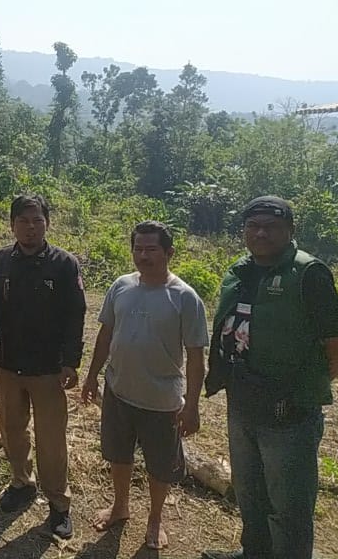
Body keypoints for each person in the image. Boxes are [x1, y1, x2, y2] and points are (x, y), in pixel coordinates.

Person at [201, 196, 338, 559]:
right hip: (242, 402)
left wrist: (304, 388)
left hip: (289, 413)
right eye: (253, 226)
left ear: (290, 230)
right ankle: (253, 552)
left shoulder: (308, 274)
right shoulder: (240, 270)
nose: (261, 233)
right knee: (249, 492)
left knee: (289, 507)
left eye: (271, 226)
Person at [82, 220, 208, 550]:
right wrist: (92, 375)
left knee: (160, 464)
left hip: (162, 400)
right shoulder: (121, 286)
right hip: (119, 390)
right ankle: (120, 506)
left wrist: (192, 406)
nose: (143, 256)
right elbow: (105, 334)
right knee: (118, 453)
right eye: (138, 249)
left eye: (151, 249)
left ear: (169, 253)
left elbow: (196, 358)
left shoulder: (185, 298)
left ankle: (155, 518)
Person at [0, 194, 86, 539]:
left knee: (51, 440)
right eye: (23, 221)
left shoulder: (64, 264)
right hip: (8, 365)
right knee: (12, 430)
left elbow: (76, 315)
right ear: (12, 224)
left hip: (48, 370)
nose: (30, 228)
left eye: (37, 221)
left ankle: (59, 504)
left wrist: (71, 362)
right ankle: (21, 483)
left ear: (47, 224)